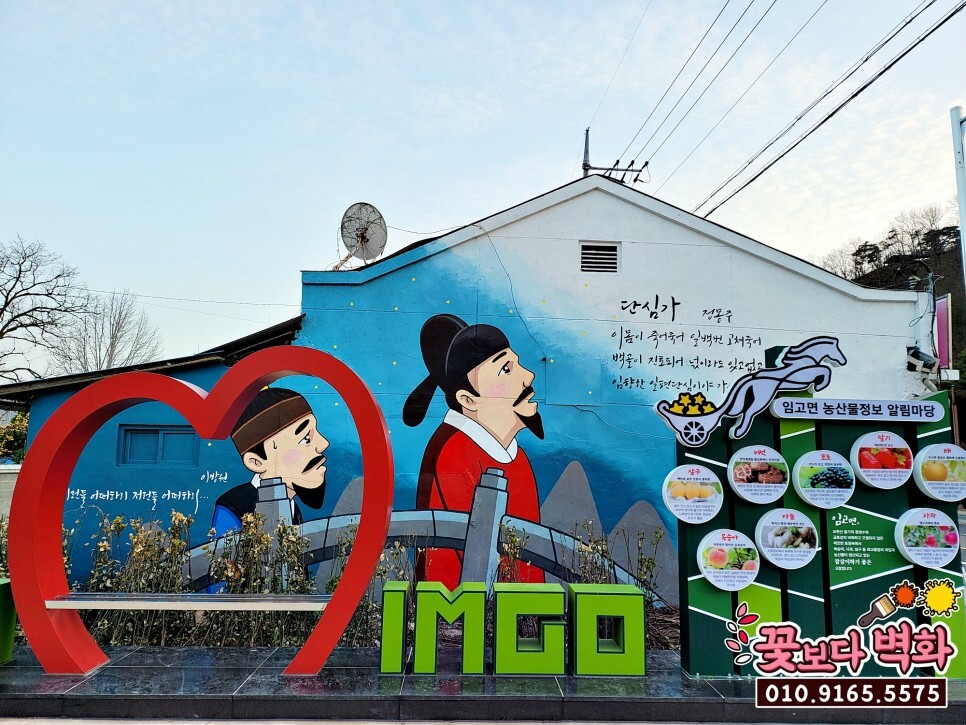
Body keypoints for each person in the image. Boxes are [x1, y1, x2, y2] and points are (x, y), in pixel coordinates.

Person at [403, 314, 544, 588]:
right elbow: (446, 569)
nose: (528, 377)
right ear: (468, 400)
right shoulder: (453, 451)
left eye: (517, 364)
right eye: (506, 369)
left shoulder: (517, 457)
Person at [210, 387, 328, 537]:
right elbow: (223, 549)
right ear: (256, 462)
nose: (323, 444)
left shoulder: (293, 507)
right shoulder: (233, 506)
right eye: (305, 438)